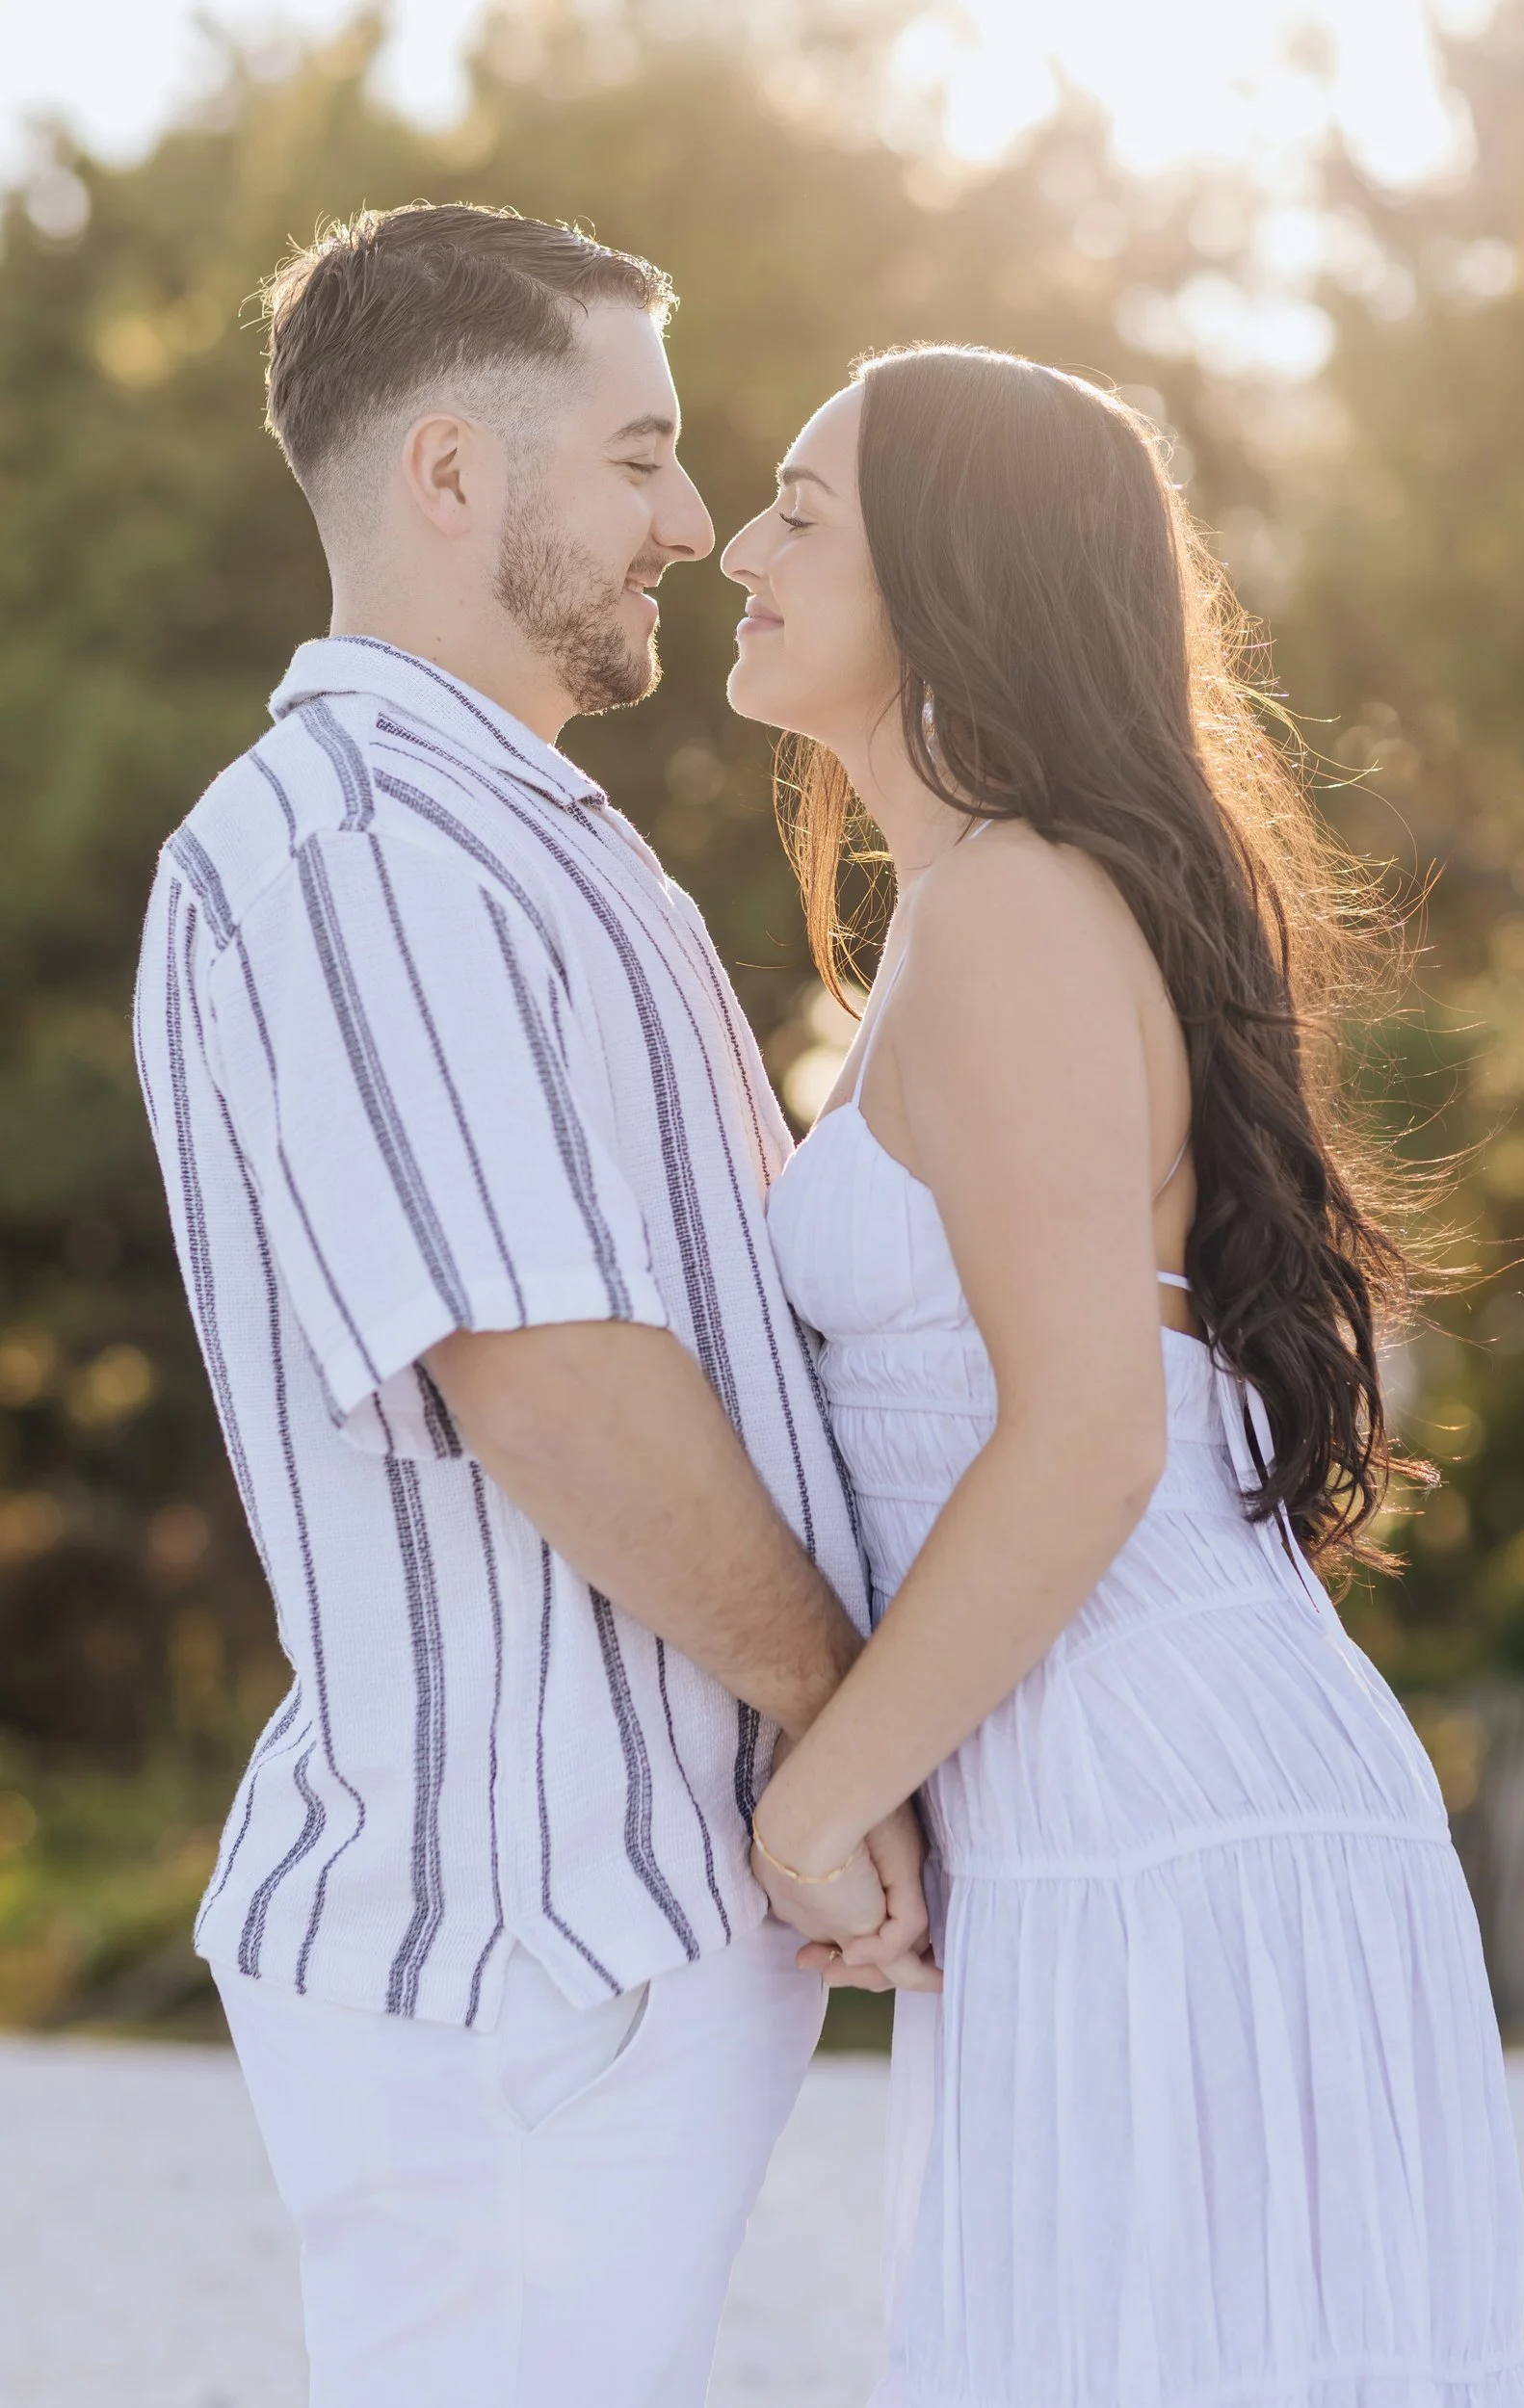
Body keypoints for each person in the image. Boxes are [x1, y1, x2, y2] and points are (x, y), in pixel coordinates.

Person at [132, 202, 930, 2408]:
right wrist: (834, 1729)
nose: (690, 516)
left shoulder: (521, 835)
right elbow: (551, 1380)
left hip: (599, 1932)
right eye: (642, 452)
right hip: (517, 1944)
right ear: (453, 477)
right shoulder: (359, 849)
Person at [723, 347, 1524, 2407]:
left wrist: (819, 1798)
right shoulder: (976, 911)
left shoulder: (1010, 906)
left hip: (1157, 1800)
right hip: (1131, 1782)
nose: (740, 547)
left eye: (802, 511)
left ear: (954, 570)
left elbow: (1085, 1437)